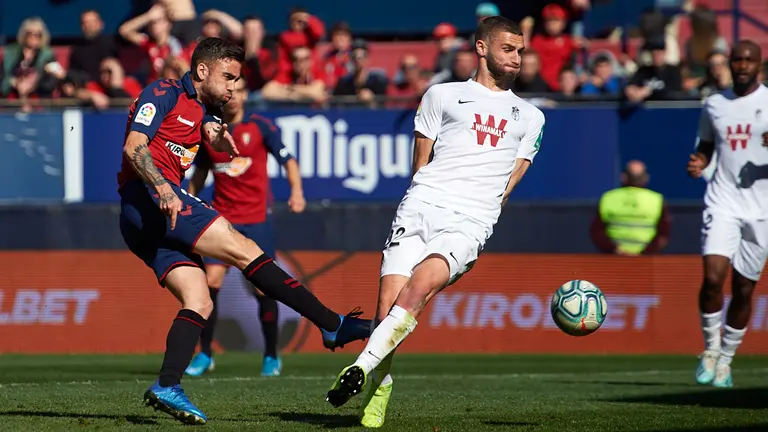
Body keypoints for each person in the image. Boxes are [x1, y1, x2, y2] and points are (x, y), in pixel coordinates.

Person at [117, 37, 370, 425]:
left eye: (237, 80)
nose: (234, 87)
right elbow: (135, 145)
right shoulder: (163, 92)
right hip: (150, 200)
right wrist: (165, 189)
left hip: (145, 220)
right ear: (202, 71)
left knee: (199, 299)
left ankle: (167, 384)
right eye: (228, 77)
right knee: (243, 247)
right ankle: (332, 325)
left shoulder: (202, 111)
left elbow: (198, 128)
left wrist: (211, 132)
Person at [326, 17, 544, 428]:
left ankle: (357, 367)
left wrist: (481, 215)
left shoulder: (530, 116)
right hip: (422, 206)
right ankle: (380, 383)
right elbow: (419, 162)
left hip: (471, 219)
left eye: (520, 51)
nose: (516, 58)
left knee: (419, 288)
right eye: (508, 49)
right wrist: (424, 198)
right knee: (387, 310)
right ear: (482, 48)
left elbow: (511, 181)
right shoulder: (441, 96)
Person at [185, 76, 306, 377]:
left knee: (263, 288)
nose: (234, 96)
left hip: (257, 220)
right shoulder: (210, 132)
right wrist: (188, 200)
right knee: (210, 282)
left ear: (245, 94)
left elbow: (288, 160)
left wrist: (297, 192)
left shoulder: (261, 126)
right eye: (230, 91)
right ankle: (205, 354)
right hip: (222, 220)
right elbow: (200, 172)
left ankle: (270, 355)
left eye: (240, 91)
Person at [687, 40, 768, 388]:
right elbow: (706, 144)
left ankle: (726, 361)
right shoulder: (715, 104)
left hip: (761, 209)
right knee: (713, 277)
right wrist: (700, 161)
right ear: (730, 63)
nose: (743, 65)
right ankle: (710, 349)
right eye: (738, 59)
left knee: (745, 290)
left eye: (749, 60)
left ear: (759, 64)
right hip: (723, 201)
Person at [590, 160, 671, 255]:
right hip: (645, 262)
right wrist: (644, 254)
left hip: (614, 260)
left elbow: (597, 231)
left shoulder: (609, 198)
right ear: (646, 178)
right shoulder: (657, 200)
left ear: (623, 177)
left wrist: (616, 250)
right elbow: (663, 235)